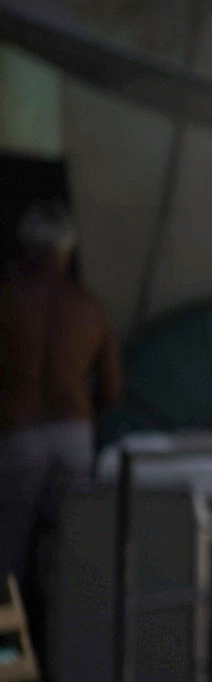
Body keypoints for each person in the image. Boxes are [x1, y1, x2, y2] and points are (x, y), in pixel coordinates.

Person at [0, 201, 122, 592]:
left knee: (9, 549)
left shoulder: (8, 301)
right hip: (73, 434)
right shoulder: (88, 305)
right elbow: (113, 387)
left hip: (19, 431)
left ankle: (8, 648)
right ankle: (70, 644)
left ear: (27, 250)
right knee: (74, 547)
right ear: (67, 252)